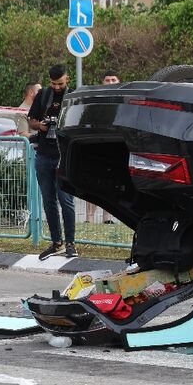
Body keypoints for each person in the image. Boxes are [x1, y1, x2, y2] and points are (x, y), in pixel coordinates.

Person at [28, 64, 77, 260]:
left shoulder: (74, 96)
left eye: (61, 83)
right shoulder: (44, 95)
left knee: (66, 200)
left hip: (63, 156)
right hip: (43, 155)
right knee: (48, 200)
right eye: (54, 84)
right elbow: (31, 120)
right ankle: (56, 242)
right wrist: (40, 125)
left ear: (68, 79)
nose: (57, 87)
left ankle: (71, 243)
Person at [85, 72, 120, 224]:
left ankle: (108, 218)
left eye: (113, 80)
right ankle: (89, 219)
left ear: (119, 82)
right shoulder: (96, 99)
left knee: (111, 182)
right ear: (102, 82)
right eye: (107, 80)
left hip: (115, 145)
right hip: (97, 144)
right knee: (92, 182)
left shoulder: (121, 100)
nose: (110, 82)